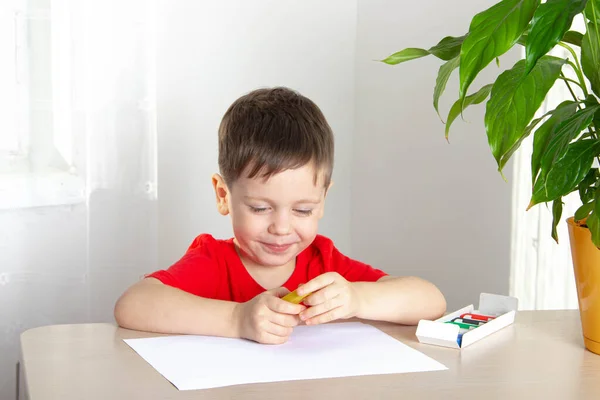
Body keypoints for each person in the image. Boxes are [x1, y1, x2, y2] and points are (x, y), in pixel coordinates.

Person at [114, 87, 446, 344]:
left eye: (304, 209)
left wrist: (358, 297)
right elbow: (133, 304)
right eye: (260, 208)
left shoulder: (323, 264)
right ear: (223, 195)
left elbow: (431, 301)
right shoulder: (214, 262)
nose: (282, 227)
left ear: (323, 199)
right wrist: (237, 320)